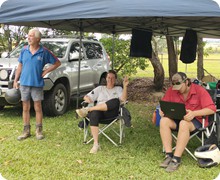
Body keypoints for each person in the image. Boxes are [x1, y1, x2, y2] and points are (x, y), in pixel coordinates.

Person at [159, 72, 216, 172]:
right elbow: (163, 104)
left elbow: (212, 109)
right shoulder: (172, 90)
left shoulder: (200, 91)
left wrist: (194, 113)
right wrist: (162, 110)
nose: (178, 90)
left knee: (183, 124)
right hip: (177, 118)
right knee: (164, 121)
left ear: (187, 82)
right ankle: (168, 155)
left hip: (196, 120)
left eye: (180, 87)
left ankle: (176, 159)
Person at [13, 28, 61, 141]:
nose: (28, 38)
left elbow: (57, 63)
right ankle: (26, 131)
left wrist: (45, 72)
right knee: (25, 107)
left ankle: (38, 130)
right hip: (24, 83)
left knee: (38, 107)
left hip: (37, 84)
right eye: (28, 36)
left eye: (31, 36)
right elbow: (20, 66)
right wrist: (16, 80)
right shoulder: (24, 50)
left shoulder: (44, 51)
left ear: (38, 39)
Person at [76, 70, 129, 154]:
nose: (110, 79)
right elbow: (87, 96)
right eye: (108, 77)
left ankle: (88, 110)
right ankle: (96, 144)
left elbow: (123, 99)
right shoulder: (100, 88)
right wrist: (88, 99)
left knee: (115, 101)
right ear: (106, 78)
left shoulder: (118, 89)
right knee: (94, 113)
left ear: (115, 79)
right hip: (99, 114)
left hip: (111, 114)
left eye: (112, 78)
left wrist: (125, 86)